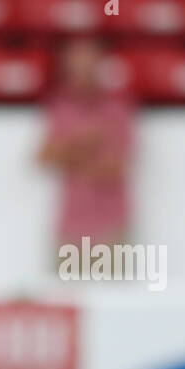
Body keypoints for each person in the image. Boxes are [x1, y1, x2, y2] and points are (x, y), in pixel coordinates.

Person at [38, 36, 137, 252]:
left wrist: (67, 155)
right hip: (69, 226)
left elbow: (114, 167)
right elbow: (43, 158)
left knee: (112, 285)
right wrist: (84, 142)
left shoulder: (118, 106)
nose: (83, 70)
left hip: (110, 227)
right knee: (61, 286)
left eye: (88, 62)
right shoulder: (60, 104)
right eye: (76, 63)